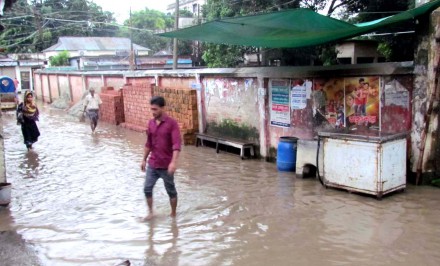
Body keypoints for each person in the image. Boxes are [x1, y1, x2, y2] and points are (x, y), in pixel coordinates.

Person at [141, 96, 181, 221]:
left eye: (155, 109)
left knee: (171, 191)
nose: (153, 112)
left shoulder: (172, 124)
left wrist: (173, 162)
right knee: (147, 188)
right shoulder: (151, 123)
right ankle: (151, 213)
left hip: (166, 165)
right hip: (153, 163)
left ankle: (173, 214)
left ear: (163, 108)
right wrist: (143, 159)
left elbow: (176, 144)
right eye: (151, 109)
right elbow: (149, 144)